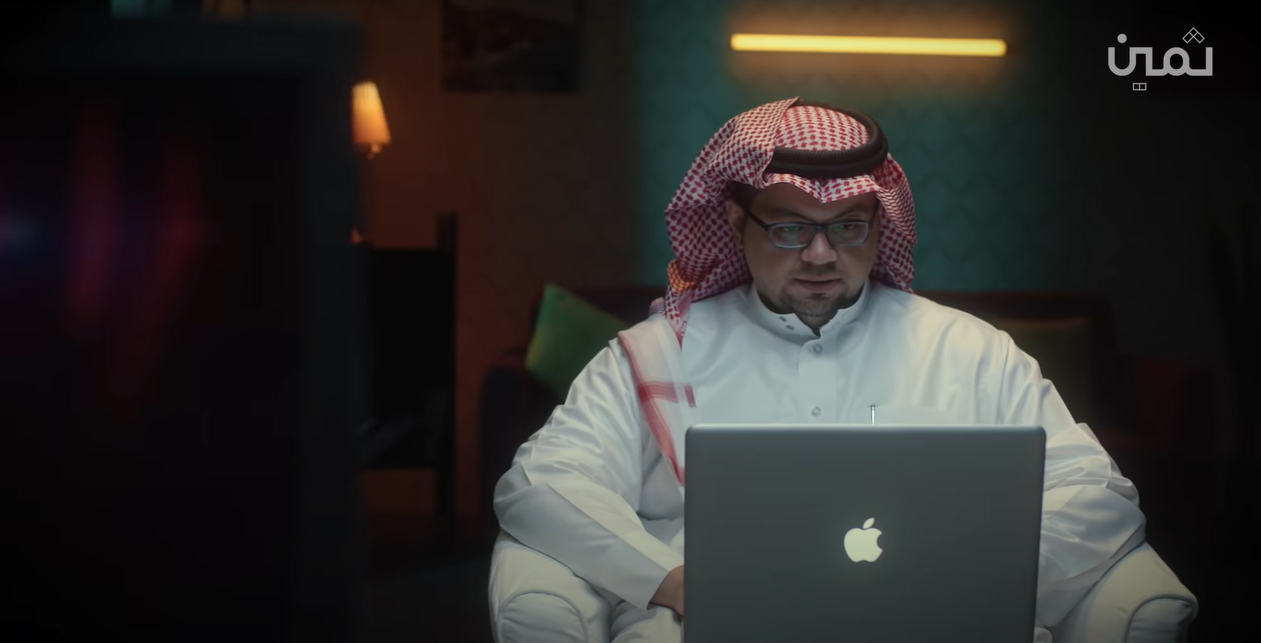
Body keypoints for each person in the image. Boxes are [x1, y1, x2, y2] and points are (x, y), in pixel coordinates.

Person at [492, 97, 1145, 642]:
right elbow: (542, 483)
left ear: (880, 221)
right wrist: (670, 579)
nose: (821, 254)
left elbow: (1096, 493)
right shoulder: (656, 354)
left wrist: (973, 579)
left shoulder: (969, 351)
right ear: (735, 220)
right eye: (789, 229)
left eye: (849, 227)